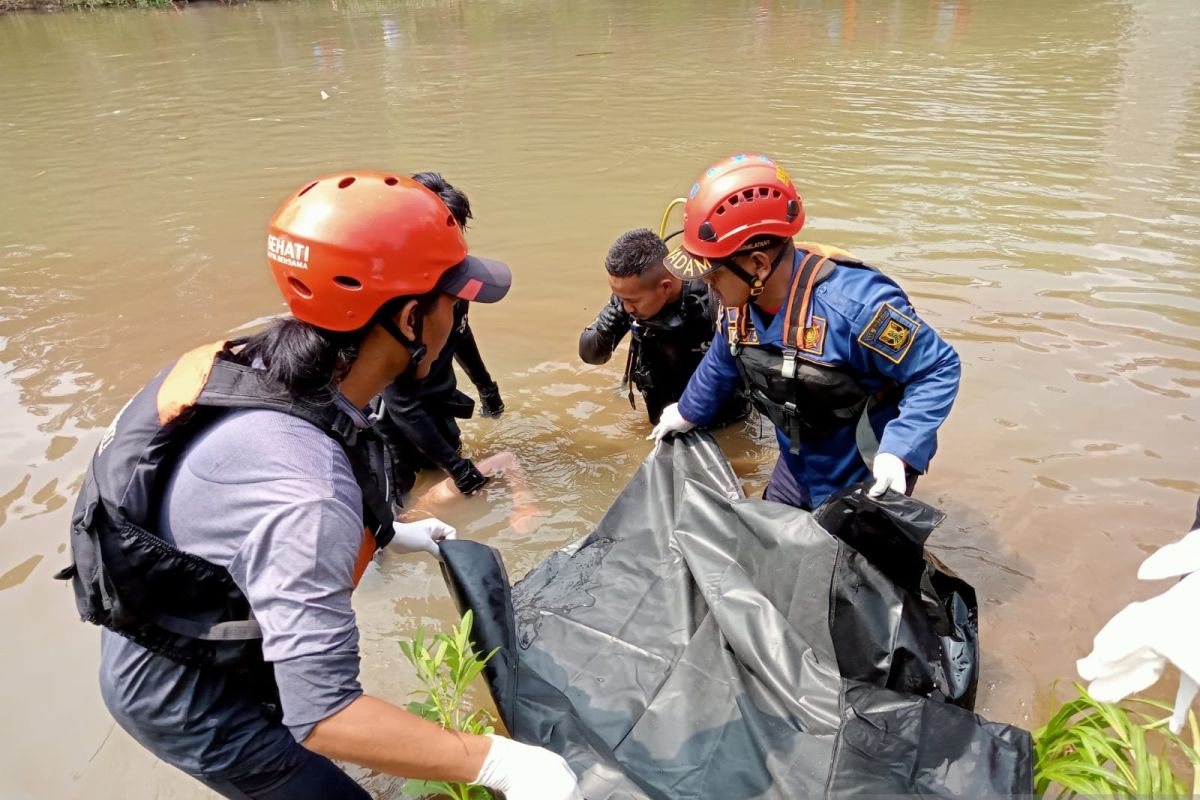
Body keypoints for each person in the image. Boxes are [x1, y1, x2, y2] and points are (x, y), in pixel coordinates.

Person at [58, 172, 581, 800]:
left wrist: (389, 534)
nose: (458, 314)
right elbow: (326, 714)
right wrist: (501, 763)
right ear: (413, 318)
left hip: (182, 627)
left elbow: (236, 511)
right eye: (454, 299)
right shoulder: (307, 491)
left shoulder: (260, 355)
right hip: (189, 701)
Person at [651, 154, 961, 511]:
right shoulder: (736, 304)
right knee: (770, 539)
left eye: (713, 274)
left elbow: (937, 369)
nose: (705, 285)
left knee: (853, 559)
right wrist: (687, 411)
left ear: (758, 264)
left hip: (863, 462)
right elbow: (723, 359)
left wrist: (900, 450)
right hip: (798, 456)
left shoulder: (856, 308)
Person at [374, 172, 504, 497]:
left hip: (436, 401)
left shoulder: (454, 280)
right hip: (395, 423)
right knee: (403, 498)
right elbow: (399, 402)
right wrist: (458, 469)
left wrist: (486, 387)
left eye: (455, 229)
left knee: (446, 478)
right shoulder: (396, 306)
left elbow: (460, 329)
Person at [579, 228, 749, 426]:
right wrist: (605, 330)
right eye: (620, 298)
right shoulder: (629, 300)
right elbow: (590, 357)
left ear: (666, 286)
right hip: (662, 420)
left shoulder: (714, 297)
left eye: (631, 300)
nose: (626, 307)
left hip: (727, 420)